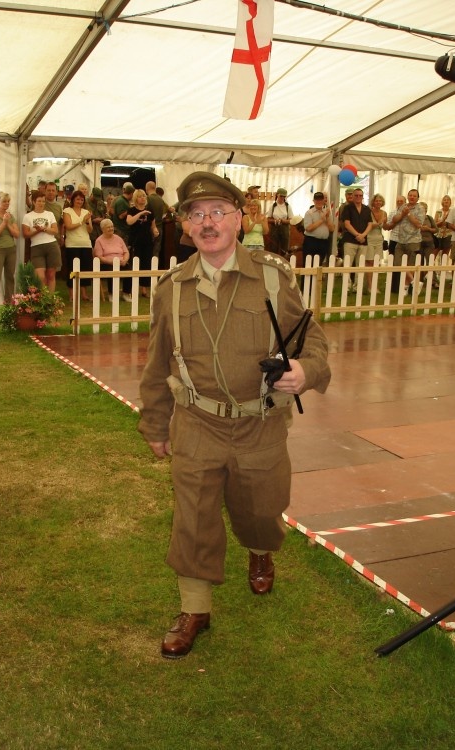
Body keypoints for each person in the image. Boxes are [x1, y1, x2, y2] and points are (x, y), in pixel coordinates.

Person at [138, 171, 331, 659]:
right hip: (197, 422)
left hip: (259, 424)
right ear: (185, 225)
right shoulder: (171, 289)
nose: (208, 223)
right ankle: (194, 607)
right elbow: (158, 361)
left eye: (218, 212)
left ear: (239, 219)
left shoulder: (272, 277)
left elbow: (312, 337)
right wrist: (156, 423)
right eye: (196, 214)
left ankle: (261, 549)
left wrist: (306, 370)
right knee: (193, 517)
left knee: (260, 511)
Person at [386, 189, 425, 295]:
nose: (412, 197)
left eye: (414, 196)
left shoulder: (420, 208)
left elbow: (418, 224)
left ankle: (405, 287)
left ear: (417, 198)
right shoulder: (404, 206)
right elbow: (394, 220)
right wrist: (403, 214)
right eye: (410, 195)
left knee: (410, 265)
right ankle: (414, 282)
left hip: (413, 240)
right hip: (400, 239)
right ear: (407, 196)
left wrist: (408, 214)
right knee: (398, 263)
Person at [21, 194, 60, 292]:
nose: (41, 203)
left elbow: (55, 231)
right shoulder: (28, 216)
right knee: (40, 276)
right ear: (34, 202)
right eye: (39, 201)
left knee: (51, 274)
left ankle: (50, 300)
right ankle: (43, 298)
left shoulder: (49, 214)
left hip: (51, 244)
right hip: (36, 247)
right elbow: (25, 234)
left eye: (43, 201)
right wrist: (37, 231)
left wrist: (45, 229)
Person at [339, 187, 373, 291]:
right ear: (352, 197)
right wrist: (357, 235)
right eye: (356, 195)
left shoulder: (367, 209)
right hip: (350, 240)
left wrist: (363, 235)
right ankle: (347, 286)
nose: (358, 197)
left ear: (363, 197)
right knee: (348, 264)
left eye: (360, 195)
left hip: (363, 241)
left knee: (360, 264)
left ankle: (357, 287)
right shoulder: (347, 208)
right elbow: (347, 224)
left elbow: (370, 224)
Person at [126, 189, 158, 298]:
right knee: (135, 264)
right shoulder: (131, 210)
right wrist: (141, 213)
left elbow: (153, 225)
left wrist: (155, 231)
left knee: (146, 264)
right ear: (136, 198)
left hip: (147, 241)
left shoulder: (150, 211)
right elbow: (129, 221)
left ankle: (144, 289)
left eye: (144, 196)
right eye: (140, 196)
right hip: (135, 241)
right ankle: (132, 288)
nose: (143, 198)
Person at [63, 190, 93, 302]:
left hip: (85, 243)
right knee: (72, 269)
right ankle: (71, 294)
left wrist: (87, 222)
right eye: (77, 199)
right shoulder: (67, 211)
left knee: (84, 269)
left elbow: (90, 230)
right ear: (73, 200)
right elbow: (69, 226)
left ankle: (84, 294)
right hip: (72, 244)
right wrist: (82, 221)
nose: (79, 201)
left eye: (81, 199)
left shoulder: (86, 212)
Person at [93, 218, 130, 301]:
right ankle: (111, 294)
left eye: (112, 227)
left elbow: (126, 252)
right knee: (112, 270)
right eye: (108, 227)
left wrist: (125, 260)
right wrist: (111, 262)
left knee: (128, 269)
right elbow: (99, 256)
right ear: (103, 229)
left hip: (121, 262)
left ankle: (126, 293)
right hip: (106, 263)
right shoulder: (99, 240)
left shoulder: (118, 238)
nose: (111, 229)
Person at [302, 191, 334, 267]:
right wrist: (322, 220)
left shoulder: (327, 213)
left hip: (323, 242)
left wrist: (327, 218)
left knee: (318, 265)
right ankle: (306, 279)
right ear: (314, 201)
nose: (319, 202)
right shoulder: (309, 213)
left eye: (320, 200)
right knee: (308, 264)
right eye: (317, 200)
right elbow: (308, 228)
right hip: (311, 241)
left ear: (324, 200)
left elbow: (332, 229)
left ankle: (316, 279)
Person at [267, 188, 293, 257]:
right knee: (273, 248)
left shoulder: (288, 207)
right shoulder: (272, 206)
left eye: (284, 196)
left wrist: (283, 221)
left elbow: (291, 220)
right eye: (281, 196)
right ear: (277, 195)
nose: (282, 198)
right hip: (274, 229)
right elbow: (268, 219)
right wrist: (274, 221)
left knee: (284, 249)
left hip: (285, 229)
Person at [146, 181, 166, 260]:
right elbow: (165, 212)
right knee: (156, 251)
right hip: (160, 228)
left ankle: (148, 270)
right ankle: (155, 269)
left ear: (147, 188)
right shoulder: (161, 200)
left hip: (150, 228)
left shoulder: (148, 199)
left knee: (148, 251)